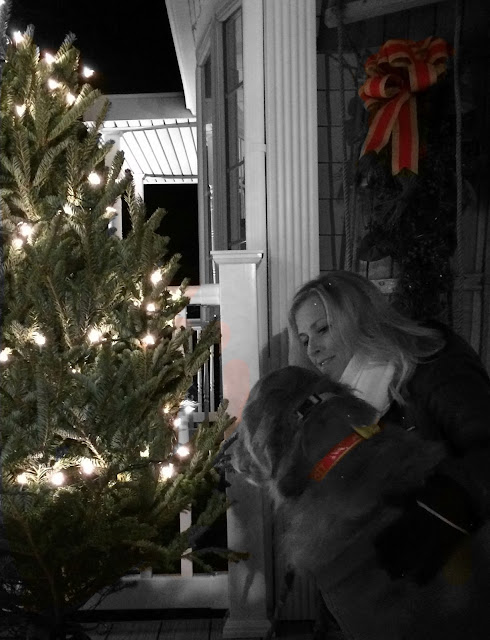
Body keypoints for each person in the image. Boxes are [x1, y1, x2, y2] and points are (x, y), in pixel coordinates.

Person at [288, 270, 490, 638]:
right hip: (395, 596)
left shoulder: (429, 362)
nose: (312, 350)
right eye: (304, 339)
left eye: (322, 329)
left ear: (358, 317)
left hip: (462, 578)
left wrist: (444, 505)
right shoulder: (338, 407)